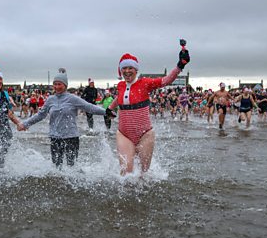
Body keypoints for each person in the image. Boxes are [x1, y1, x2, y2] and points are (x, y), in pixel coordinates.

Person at [107, 45, 190, 176]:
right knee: (126, 172)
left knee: (143, 173)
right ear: (120, 70)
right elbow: (119, 98)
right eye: (124, 68)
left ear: (136, 70)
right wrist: (109, 109)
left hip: (145, 134)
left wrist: (180, 66)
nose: (127, 71)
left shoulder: (145, 83)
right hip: (124, 134)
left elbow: (165, 81)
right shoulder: (121, 85)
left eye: (130, 68)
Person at [18, 68, 109, 168]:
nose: (57, 87)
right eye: (55, 84)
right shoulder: (50, 99)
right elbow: (40, 115)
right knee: (57, 169)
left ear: (65, 85)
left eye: (59, 84)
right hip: (55, 137)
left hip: (71, 137)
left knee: (72, 168)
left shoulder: (72, 98)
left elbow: (89, 107)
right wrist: (25, 124)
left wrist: (106, 112)